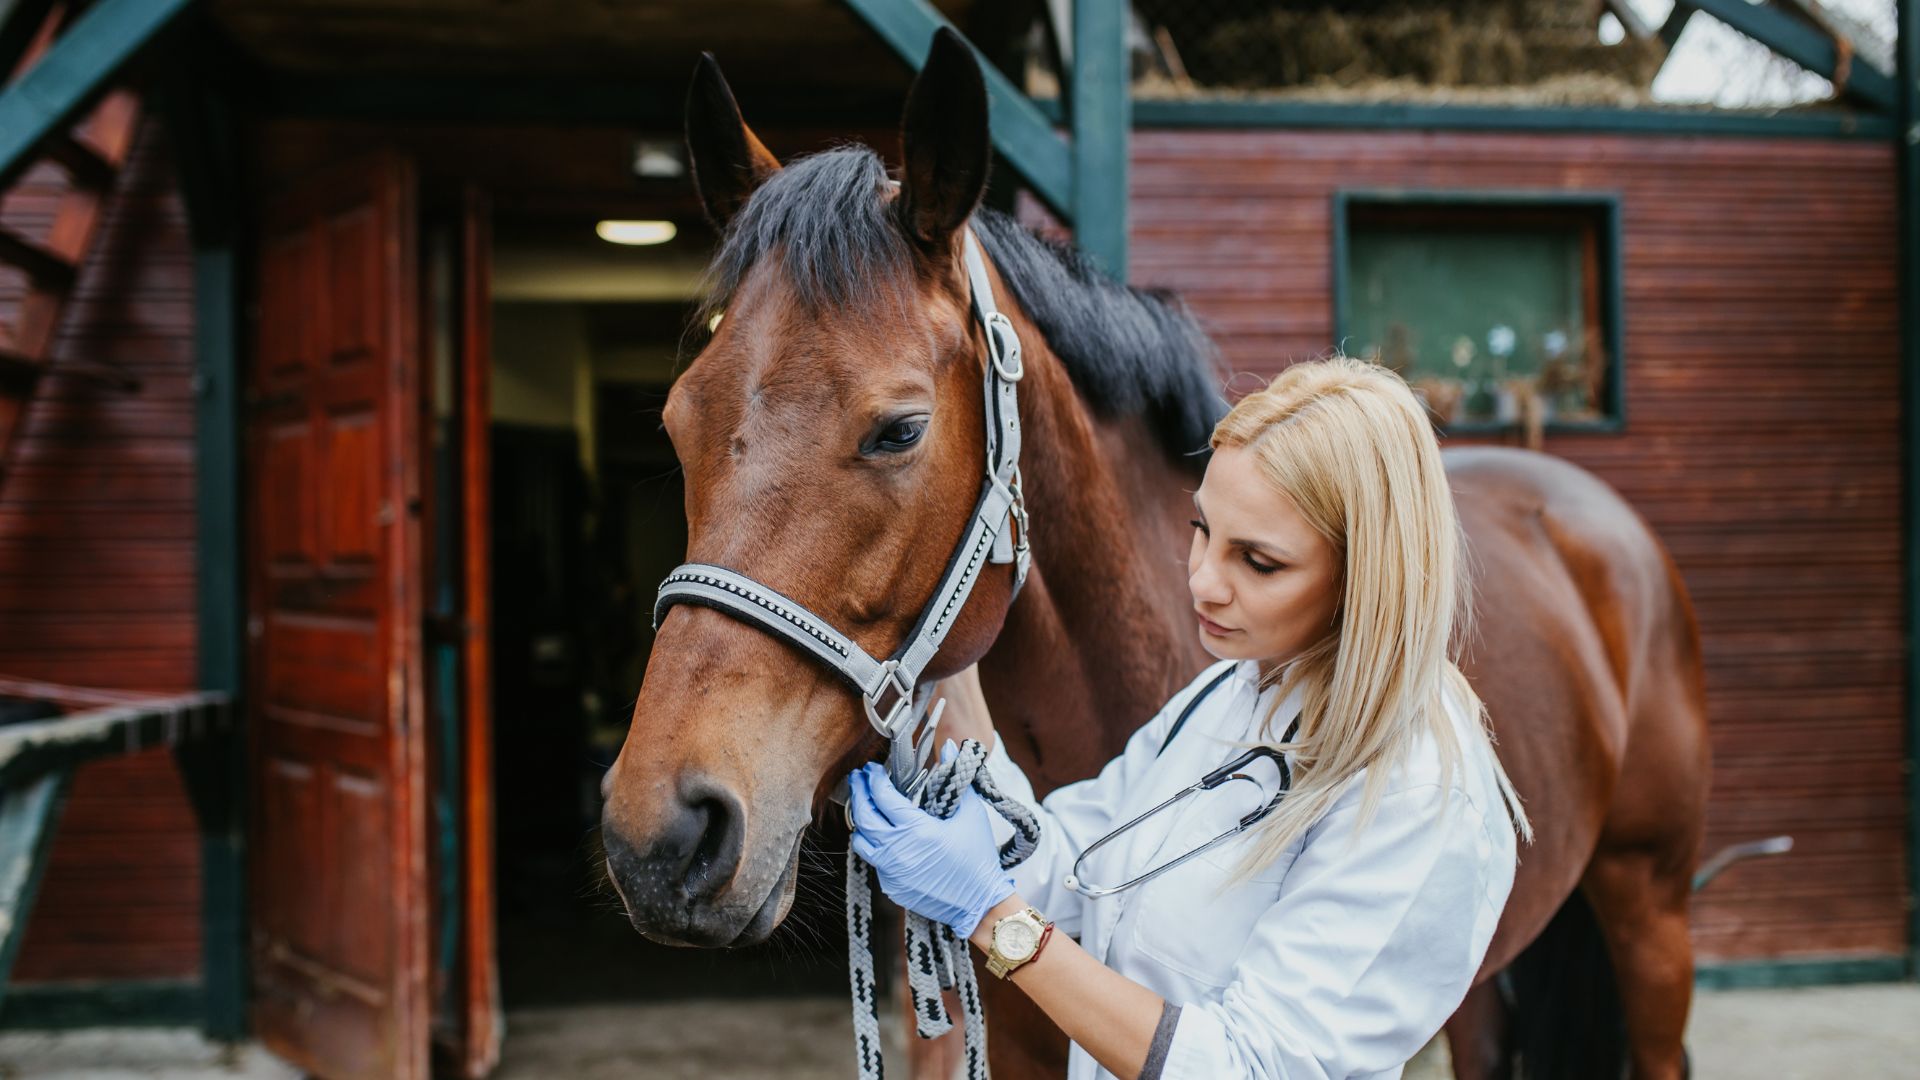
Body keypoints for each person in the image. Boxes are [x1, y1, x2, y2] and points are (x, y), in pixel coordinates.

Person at [844, 357, 1531, 1080]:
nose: (1202, 580)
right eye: (1203, 529)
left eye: (1258, 562)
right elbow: (1079, 867)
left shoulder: (1413, 794)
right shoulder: (1236, 688)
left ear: (1366, 575)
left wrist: (992, 917)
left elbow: (1245, 1066)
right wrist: (952, 672)